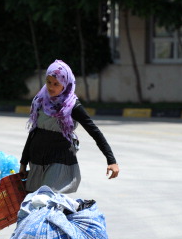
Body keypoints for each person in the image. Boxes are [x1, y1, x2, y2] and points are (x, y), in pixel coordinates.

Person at [19, 59, 119, 194]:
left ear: (65, 85)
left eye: (56, 84)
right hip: (37, 160)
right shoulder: (41, 100)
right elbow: (34, 132)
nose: (51, 87)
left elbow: (95, 132)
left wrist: (111, 161)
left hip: (59, 161)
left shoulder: (72, 106)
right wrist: (23, 162)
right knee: (35, 205)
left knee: (46, 199)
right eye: (48, 82)